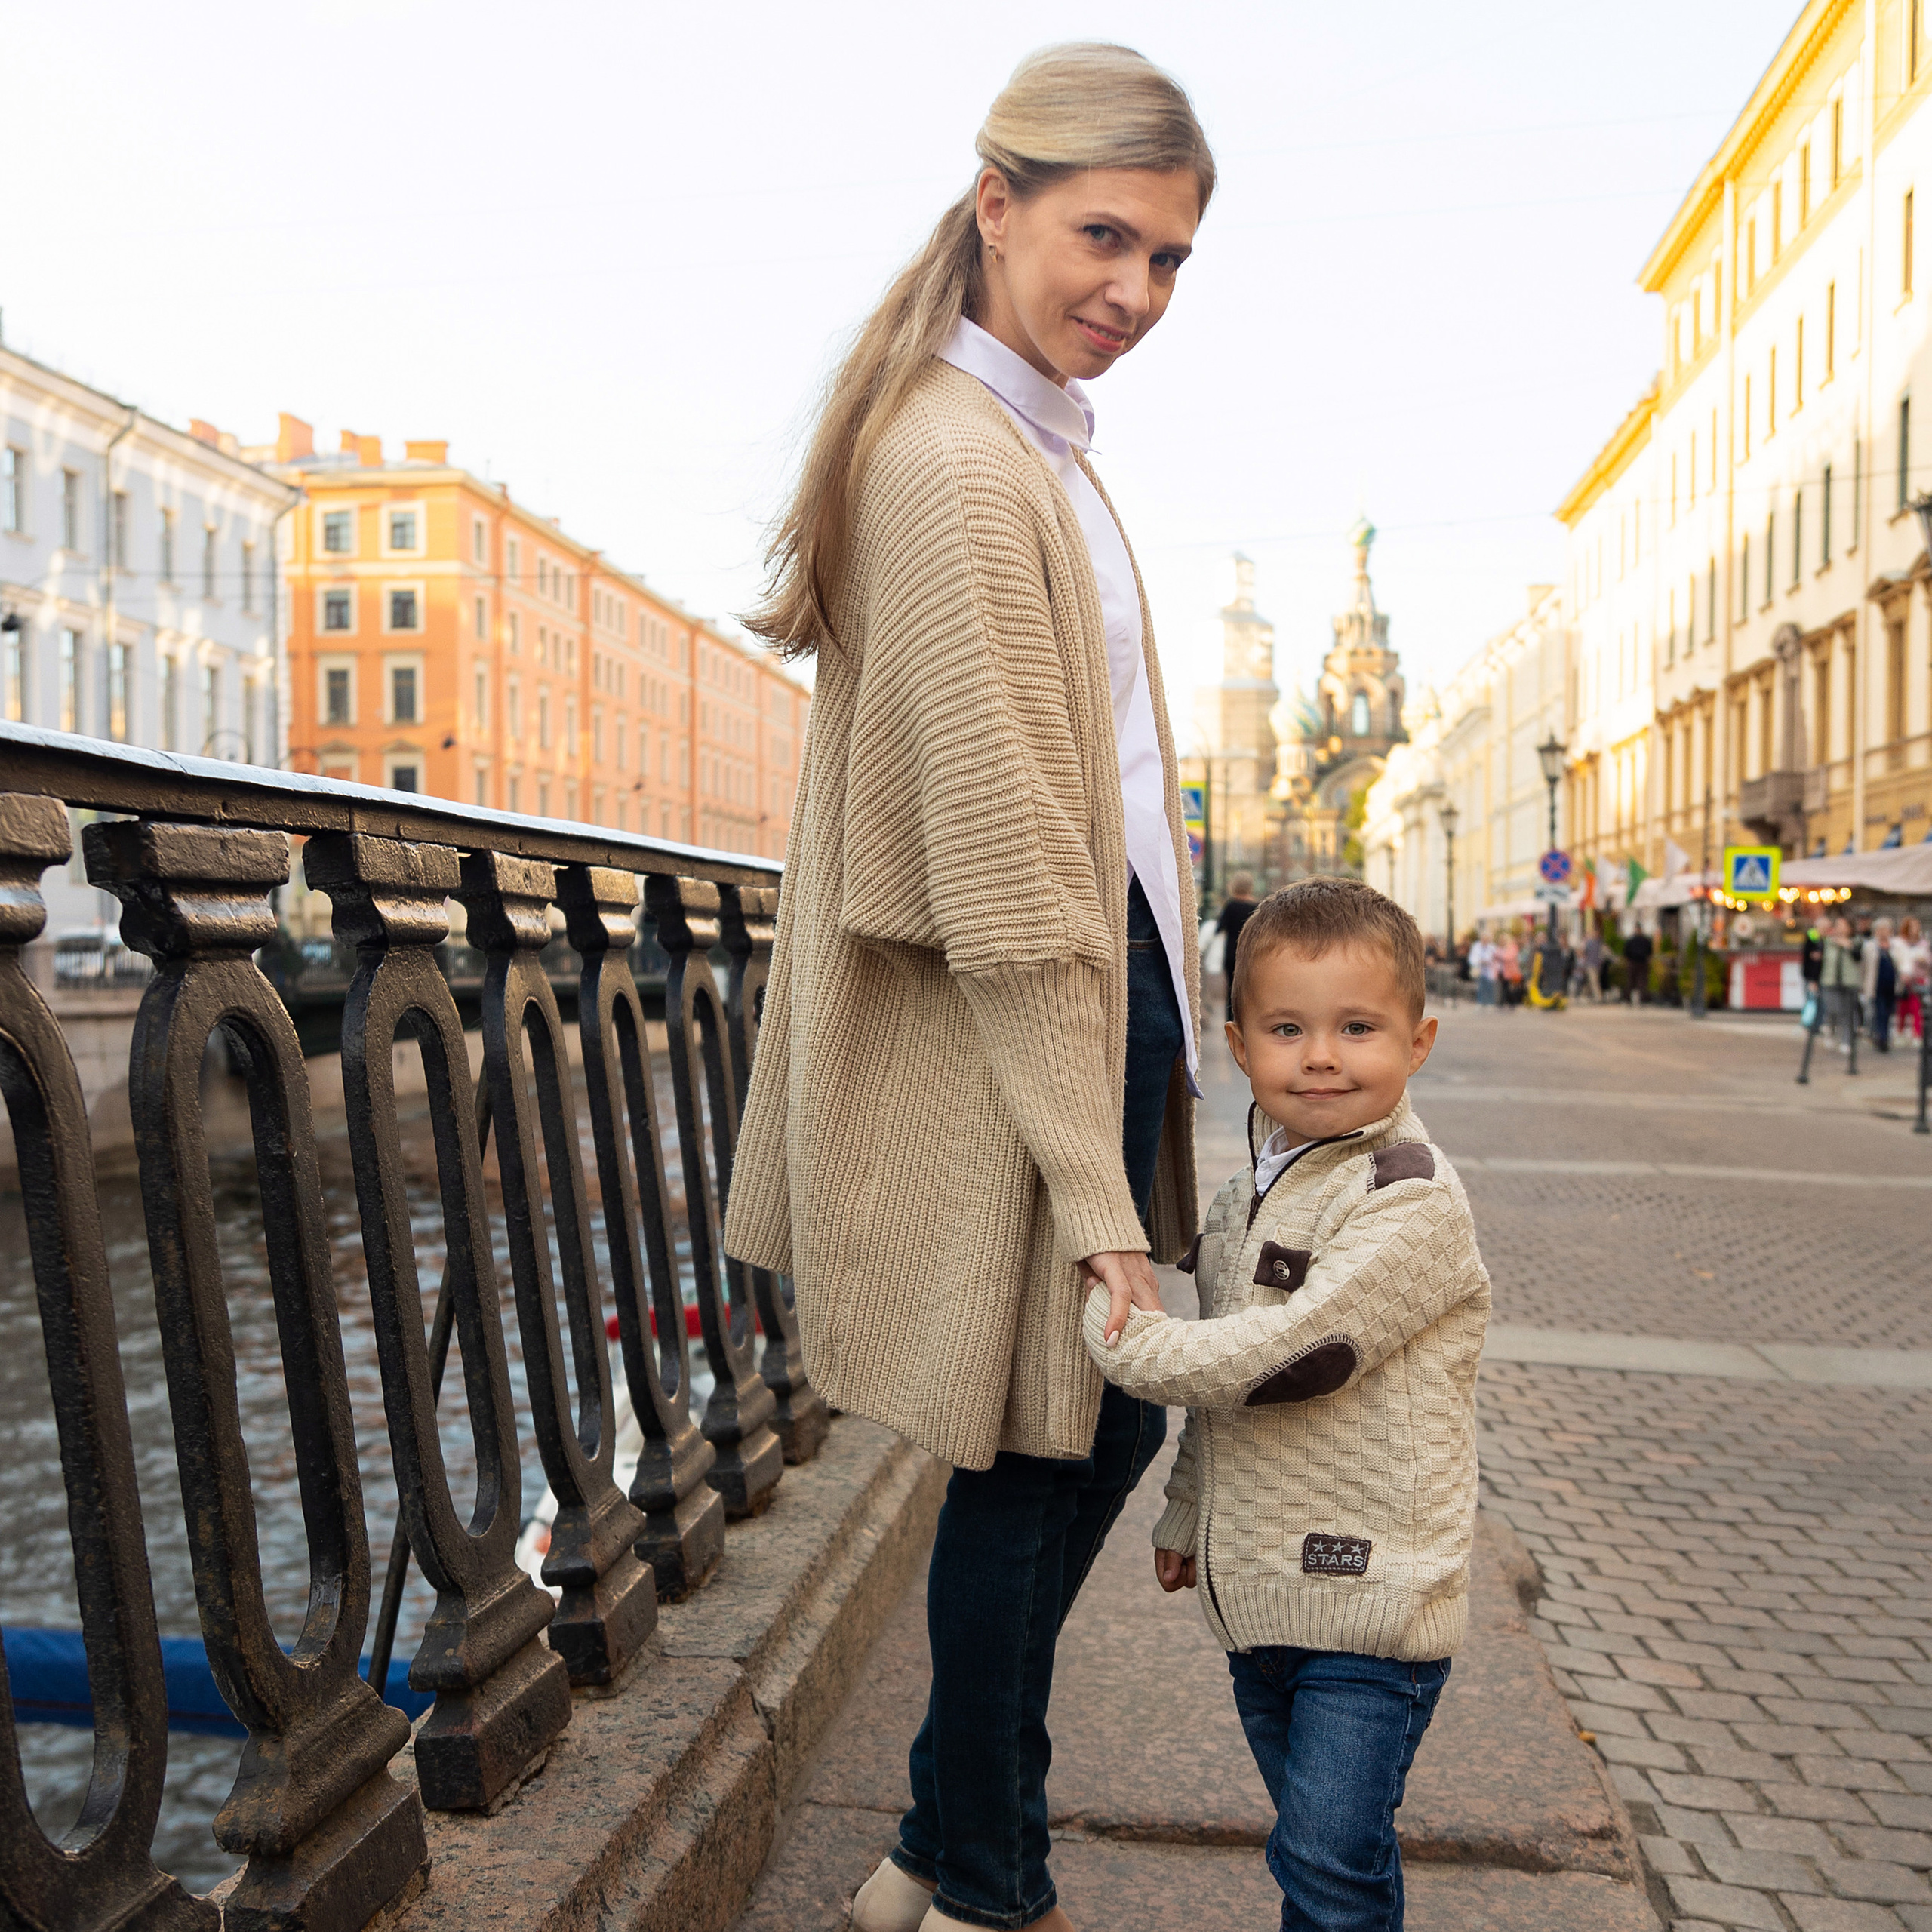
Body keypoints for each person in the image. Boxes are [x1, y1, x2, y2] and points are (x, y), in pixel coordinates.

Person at [721, 46, 1215, 1932]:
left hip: (1103, 995)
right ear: (994, 200)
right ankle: (984, 1880)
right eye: (1105, 235)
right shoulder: (949, 457)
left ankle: (941, 1851)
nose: (1135, 291)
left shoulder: (1013, 440)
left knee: (1074, 1429)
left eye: (1169, 259)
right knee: (1056, 1429)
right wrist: (1091, 1186)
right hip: (1038, 1013)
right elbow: (1010, 866)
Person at [1083, 878, 1488, 1932]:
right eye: (1289, 1028)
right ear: (1237, 1043)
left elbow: (1295, 1358)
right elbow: (1226, 1402)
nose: (1322, 1055)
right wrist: (1185, 1511)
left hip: (1370, 1603)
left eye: (1359, 1028)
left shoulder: (1410, 1194)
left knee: (1322, 1861)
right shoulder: (1246, 1195)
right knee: (1332, 1861)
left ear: (1420, 1040)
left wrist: (1134, 1344)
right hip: (1262, 1597)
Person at [1216, 871, 1260, 1022]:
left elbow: (1220, 928)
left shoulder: (1230, 906)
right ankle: (1246, 1023)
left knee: (1231, 991)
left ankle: (1230, 1023)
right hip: (1250, 955)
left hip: (1231, 955)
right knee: (1249, 991)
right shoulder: (1256, 907)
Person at [1864, 915, 1898, 1051]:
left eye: (1886, 929)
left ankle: (1884, 1036)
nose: (1884, 932)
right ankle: (1882, 1038)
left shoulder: (1895, 945)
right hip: (1876, 984)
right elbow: (1865, 967)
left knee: (1889, 1012)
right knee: (1880, 1011)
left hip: (1892, 985)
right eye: (1881, 929)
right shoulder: (1870, 946)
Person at [1894, 915, 1929, 1043]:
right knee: (1902, 1007)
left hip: (1918, 978)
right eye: (1912, 926)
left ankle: (1917, 1033)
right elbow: (1897, 960)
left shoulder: (1923, 943)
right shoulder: (1899, 942)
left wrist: (1923, 962)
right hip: (1903, 979)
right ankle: (1900, 1032)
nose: (1915, 929)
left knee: (1917, 1007)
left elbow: (1927, 961)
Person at [1621, 923, 1653, 1004]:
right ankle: (1639, 999)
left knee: (1634, 981)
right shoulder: (1644, 940)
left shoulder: (1633, 940)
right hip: (1638, 962)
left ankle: (1631, 999)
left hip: (1636, 963)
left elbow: (1626, 952)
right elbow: (1650, 952)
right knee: (1639, 981)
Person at [1468, 931, 1497, 1008]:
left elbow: (1494, 958)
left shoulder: (1492, 947)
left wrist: (1488, 961)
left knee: (1489, 986)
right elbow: (1472, 958)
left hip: (1489, 969)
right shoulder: (1476, 946)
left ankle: (1490, 1002)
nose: (1485, 941)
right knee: (1480, 986)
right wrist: (1479, 961)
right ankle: (1480, 1002)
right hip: (1479, 969)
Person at [1580, 929, 1607, 1002]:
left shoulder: (1600, 943)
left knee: (1591, 981)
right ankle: (1599, 997)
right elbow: (1583, 953)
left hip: (1597, 965)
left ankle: (1584, 995)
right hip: (1590, 964)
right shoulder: (1589, 943)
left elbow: (1603, 954)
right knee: (1594, 981)